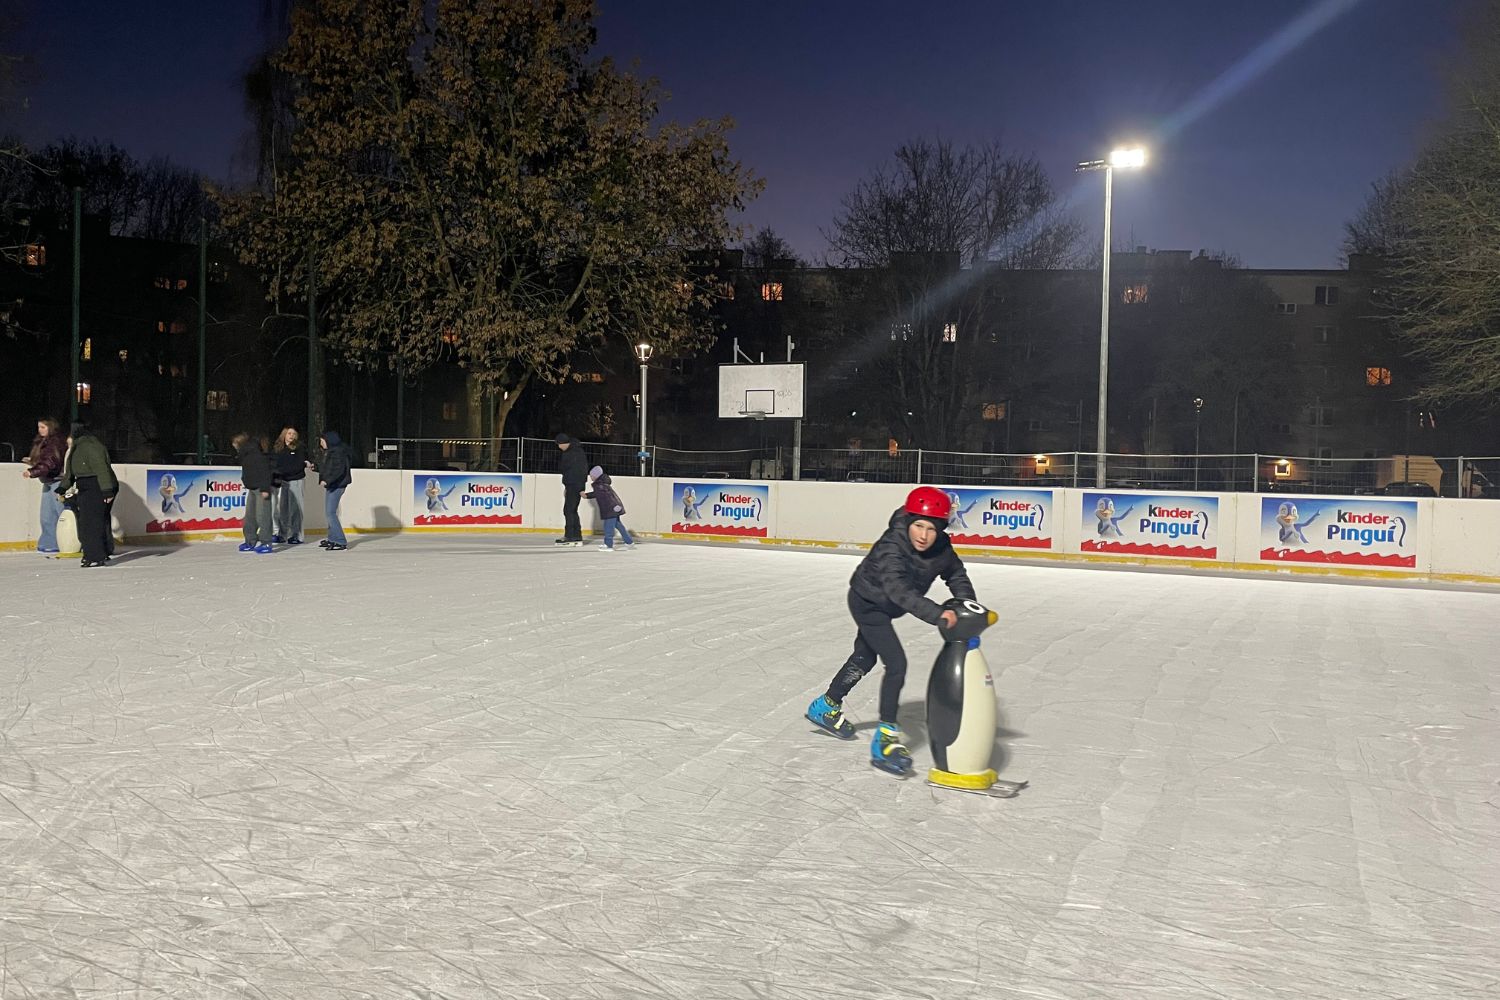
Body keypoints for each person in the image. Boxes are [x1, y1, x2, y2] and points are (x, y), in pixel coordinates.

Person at [805, 486, 976, 776]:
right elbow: (899, 591)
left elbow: (955, 574)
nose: (923, 535)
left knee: (864, 657)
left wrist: (967, 603)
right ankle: (884, 740)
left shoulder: (941, 547)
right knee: (896, 664)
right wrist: (938, 615)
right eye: (918, 526)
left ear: (940, 529)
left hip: (887, 606)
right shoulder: (892, 546)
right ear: (908, 522)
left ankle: (825, 705)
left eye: (931, 529)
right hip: (867, 602)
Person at [55, 422, 118, 568]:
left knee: (92, 522)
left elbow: (101, 469)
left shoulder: (90, 446)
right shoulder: (76, 447)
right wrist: (62, 488)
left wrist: (106, 490)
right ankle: (99, 552)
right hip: (87, 485)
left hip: (97, 485)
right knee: (91, 521)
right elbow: (70, 472)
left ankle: (95, 555)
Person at [21, 417, 65, 553]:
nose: (40, 430)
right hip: (48, 481)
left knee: (60, 515)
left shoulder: (55, 442)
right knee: (47, 516)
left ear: (50, 427)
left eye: (43, 427)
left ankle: (65, 542)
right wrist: (32, 462)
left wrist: (33, 471)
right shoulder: (43, 441)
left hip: (58, 481)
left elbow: (51, 462)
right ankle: (50, 543)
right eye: (39, 427)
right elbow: (44, 460)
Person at [233, 432, 275, 553]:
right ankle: (250, 541)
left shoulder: (256, 455)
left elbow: (265, 471)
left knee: (263, 516)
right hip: (252, 488)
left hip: (261, 489)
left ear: (239, 443)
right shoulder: (246, 455)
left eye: (234, 444)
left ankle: (266, 543)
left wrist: (265, 488)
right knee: (250, 517)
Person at [316, 430, 353, 551]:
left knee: (330, 513)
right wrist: (315, 467)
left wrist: (327, 480)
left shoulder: (338, 452)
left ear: (328, 440)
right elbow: (327, 468)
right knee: (329, 513)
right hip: (333, 485)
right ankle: (332, 538)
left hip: (337, 485)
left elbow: (338, 470)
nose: (321, 443)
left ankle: (340, 541)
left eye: (322, 441)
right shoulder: (331, 451)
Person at [272, 426, 309, 544]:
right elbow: (276, 464)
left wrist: (283, 470)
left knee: (295, 509)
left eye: (294, 433)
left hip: (296, 480)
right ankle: (282, 534)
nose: (291, 436)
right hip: (284, 481)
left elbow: (299, 465)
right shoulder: (279, 448)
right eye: (289, 433)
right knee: (283, 508)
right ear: (284, 435)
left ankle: (297, 535)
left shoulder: (299, 448)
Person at [583, 465, 633, 551]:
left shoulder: (599, 485)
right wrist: (587, 495)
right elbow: (599, 494)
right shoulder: (603, 484)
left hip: (610, 508)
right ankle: (629, 542)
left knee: (608, 527)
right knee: (618, 525)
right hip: (614, 507)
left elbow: (598, 493)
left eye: (591, 475)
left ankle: (608, 545)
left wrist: (586, 495)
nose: (590, 477)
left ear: (596, 476)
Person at [555, 433, 589, 545]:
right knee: (572, 510)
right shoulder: (575, 451)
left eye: (559, 444)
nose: (559, 447)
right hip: (572, 485)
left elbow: (580, 470)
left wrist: (579, 487)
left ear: (564, 443)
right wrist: (567, 486)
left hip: (574, 485)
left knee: (568, 510)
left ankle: (570, 536)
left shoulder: (572, 453)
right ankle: (576, 535)